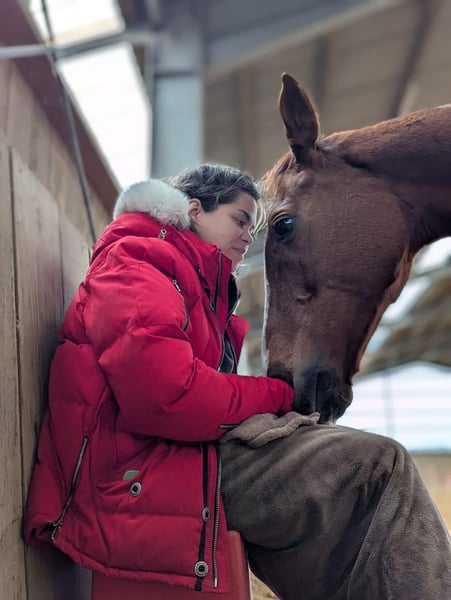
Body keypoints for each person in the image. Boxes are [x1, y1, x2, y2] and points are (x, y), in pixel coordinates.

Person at [25, 164, 450, 599]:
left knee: (349, 489)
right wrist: (278, 395)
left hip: (174, 458)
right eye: (240, 220)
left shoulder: (187, 282)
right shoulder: (137, 267)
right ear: (194, 209)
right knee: (377, 465)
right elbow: (172, 397)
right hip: (138, 475)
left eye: (252, 227)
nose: (248, 237)